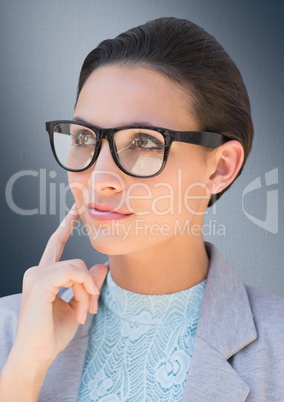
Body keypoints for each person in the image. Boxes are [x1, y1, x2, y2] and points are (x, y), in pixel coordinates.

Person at [0, 17, 283, 402]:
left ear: (220, 168)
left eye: (145, 143)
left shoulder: (277, 345)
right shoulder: (9, 331)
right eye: (84, 137)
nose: (99, 179)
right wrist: (25, 371)